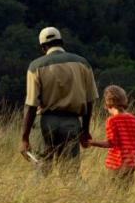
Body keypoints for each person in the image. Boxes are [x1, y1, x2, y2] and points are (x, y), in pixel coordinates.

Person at [20, 27, 98, 175]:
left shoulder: (35, 66)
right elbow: (89, 101)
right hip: (72, 123)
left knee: (42, 171)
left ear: (43, 47)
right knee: (70, 174)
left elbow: (31, 105)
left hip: (45, 123)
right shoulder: (83, 63)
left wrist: (25, 138)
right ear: (61, 42)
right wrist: (85, 131)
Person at [84, 85, 135, 187]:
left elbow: (111, 143)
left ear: (108, 103)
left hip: (116, 165)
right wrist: (133, 159)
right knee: (125, 195)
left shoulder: (112, 121)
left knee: (113, 194)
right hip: (131, 166)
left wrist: (92, 142)